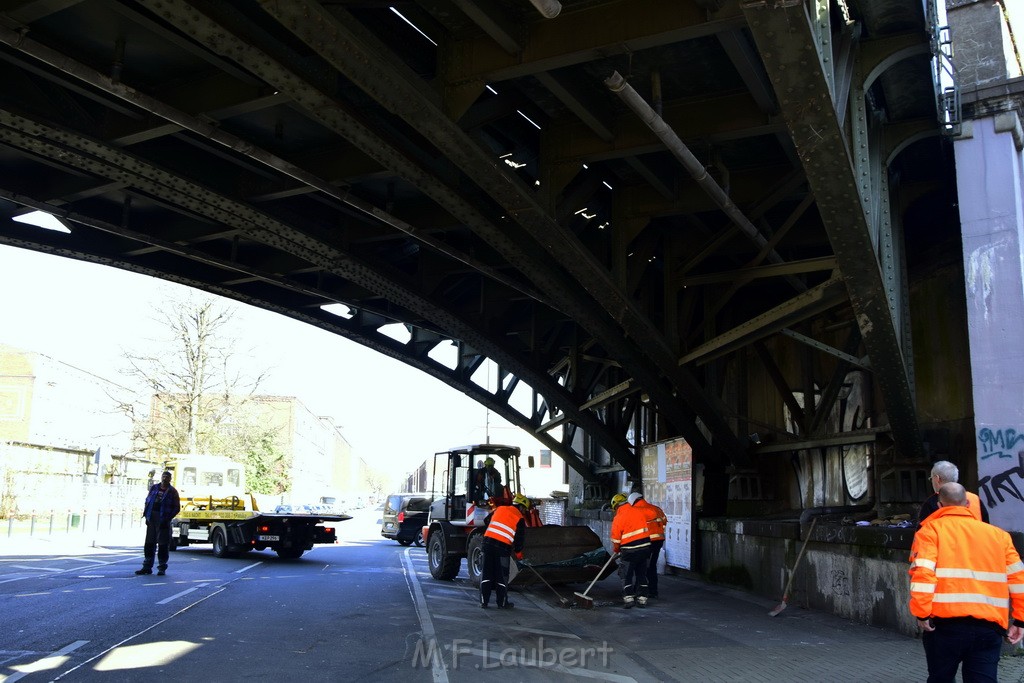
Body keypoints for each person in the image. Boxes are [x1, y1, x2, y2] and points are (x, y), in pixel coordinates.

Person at [909, 483, 1024, 681]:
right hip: (988, 627)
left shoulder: (930, 532)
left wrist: (922, 613)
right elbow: (1018, 579)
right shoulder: (1000, 536)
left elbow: (923, 575)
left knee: (941, 678)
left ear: (939, 504)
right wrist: (1020, 620)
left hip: (943, 626)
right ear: (968, 503)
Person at [479, 492, 529, 609]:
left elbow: (486, 521)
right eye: (524, 509)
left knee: (486, 574)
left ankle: (483, 602)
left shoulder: (499, 509)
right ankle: (501, 603)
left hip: (487, 545)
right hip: (502, 549)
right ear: (521, 507)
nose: (524, 511)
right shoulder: (519, 518)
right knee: (501, 577)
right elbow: (519, 539)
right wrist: (518, 552)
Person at [610, 492, 652, 608]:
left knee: (626, 575)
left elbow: (616, 538)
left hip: (629, 551)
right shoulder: (639, 511)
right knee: (641, 574)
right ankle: (642, 599)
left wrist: (616, 549)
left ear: (616, 506)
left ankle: (629, 599)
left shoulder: (619, 517)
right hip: (644, 548)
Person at [136, 470, 181, 576]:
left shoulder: (172, 491)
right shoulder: (154, 488)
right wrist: (147, 515)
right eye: (163, 476)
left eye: (167, 477)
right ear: (161, 477)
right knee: (149, 544)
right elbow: (148, 500)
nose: (165, 478)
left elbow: (176, 508)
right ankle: (147, 566)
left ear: (170, 479)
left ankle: (162, 568)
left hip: (163, 520)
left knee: (163, 545)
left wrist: (168, 518)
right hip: (152, 518)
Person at [918, 460, 988, 523]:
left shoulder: (932, 502)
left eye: (931, 479)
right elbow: (985, 523)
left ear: (937, 479)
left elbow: (923, 530)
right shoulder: (975, 499)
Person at [630, 490, 667, 598]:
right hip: (658, 541)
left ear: (633, 502)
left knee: (641, 566)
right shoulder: (656, 508)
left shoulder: (636, 510)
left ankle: (639, 590)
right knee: (652, 566)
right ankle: (653, 591)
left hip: (645, 541)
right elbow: (664, 521)